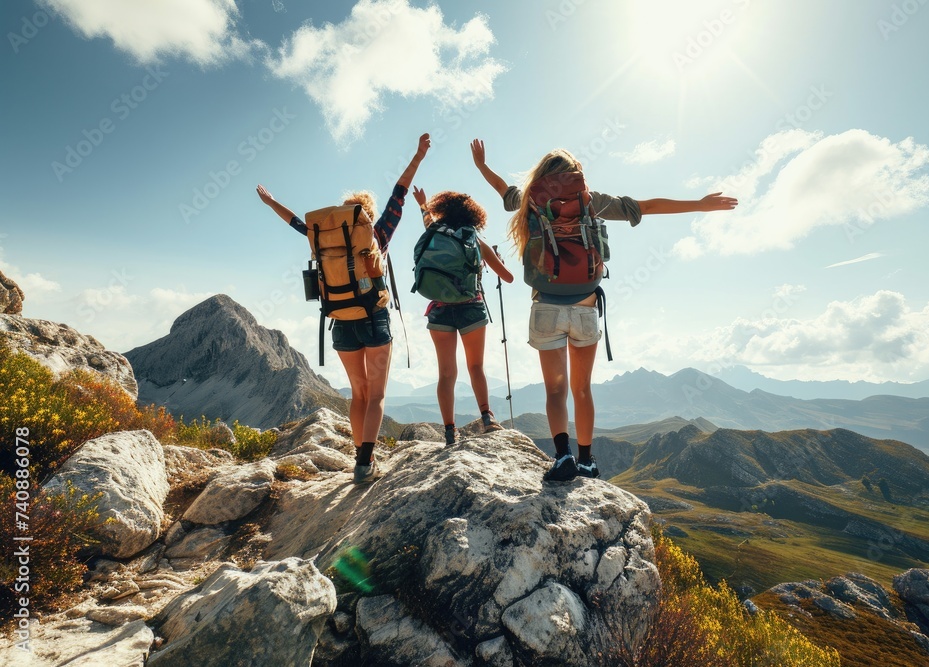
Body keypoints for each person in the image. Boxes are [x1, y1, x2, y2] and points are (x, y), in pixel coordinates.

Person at [470, 138, 738, 482]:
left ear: (542, 176)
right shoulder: (590, 201)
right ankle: (586, 461)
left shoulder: (529, 201)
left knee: (555, 391)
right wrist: (699, 204)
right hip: (585, 306)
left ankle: (562, 456)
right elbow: (645, 206)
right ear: (575, 175)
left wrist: (481, 165)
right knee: (582, 389)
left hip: (546, 307)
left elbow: (501, 188)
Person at [256, 132, 431, 483]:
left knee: (359, 394)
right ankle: (366, 463)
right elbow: (399, 192)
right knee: (378, 394)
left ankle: (358, 456)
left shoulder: (322, 238)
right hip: (374, 318)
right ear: (364, 215)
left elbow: (295, 222)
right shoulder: (376, 233)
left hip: (340, 322)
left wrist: (272, 201)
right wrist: (418, 155)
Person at [411, 188, 515, 445]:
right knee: (475, 366)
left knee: (446, 374)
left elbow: (426, 218)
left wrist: (423, 204)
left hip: (439, 309)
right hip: (471, 307)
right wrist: (491, 259)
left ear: (442, 211)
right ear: (473, 216)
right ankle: (487, 418)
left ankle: (449, 431)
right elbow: (508, 277)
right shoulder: (475, 240)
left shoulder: (434, 232)